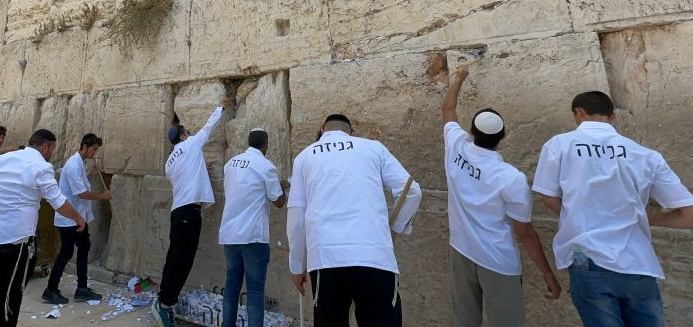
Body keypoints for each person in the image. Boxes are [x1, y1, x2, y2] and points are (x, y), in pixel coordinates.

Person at [533, 91, 693, 327]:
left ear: (578, 113)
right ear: (613, 116)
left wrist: (577, 217)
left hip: (585, 254)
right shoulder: (647, 156)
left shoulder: (559, 145)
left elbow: (548, 197)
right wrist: (646, 219)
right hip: (638, 261)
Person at [441, 66, 561, 327]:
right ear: (503, 136)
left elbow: (448, 109)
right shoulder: (511, 177)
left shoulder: (456, 148)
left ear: (471, 131)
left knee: (464, 320)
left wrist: (459, 78)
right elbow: (525, 232)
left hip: (461, 251)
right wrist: (547, 273)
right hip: (497, 261)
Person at [287, 114, 422, 326]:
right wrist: (392, 231)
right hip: (374, 256)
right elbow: (412, 191)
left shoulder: (304, 157)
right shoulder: (373, 148)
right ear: (351, 133)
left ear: (322, 130)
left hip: (326, 260)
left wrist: (297, 267)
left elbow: (296, 219)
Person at [0, 130, 86, 326]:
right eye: (52, 150)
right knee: (11, 294)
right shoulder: (42, 167)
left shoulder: (3, 159)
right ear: (45, 147)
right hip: (18, 240)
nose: (51, 154)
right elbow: (58, 201)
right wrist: (78, 218)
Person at [152, 97, 234, 327]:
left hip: (178, 212)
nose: (189, 133)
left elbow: (185, 178)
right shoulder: (191, 145)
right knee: (183, 260)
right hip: (189, 213)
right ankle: (165, 305)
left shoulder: (169, 162)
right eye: (186, 131)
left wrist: (200, 169)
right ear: (182, 137)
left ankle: (163, 298)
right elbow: (209, 127)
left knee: (174, 257)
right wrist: (221, 107)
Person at [218, 128, 287, 327]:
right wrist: (284, 186)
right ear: (265, 145)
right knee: (255, 291)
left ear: (249, 142)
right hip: (253, 237)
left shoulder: (230, 164)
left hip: (230, 235)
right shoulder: (266, 166)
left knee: (231, 287)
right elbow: (279, 202)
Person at [42, 133, 109, 305]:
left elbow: (80, 185)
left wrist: (93, 175)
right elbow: (81, 193)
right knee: (66, 252)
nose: (95, 153)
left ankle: (82, 288)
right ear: (85, 147)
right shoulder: (73, 165)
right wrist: (103, 195)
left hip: (79, 217)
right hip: (69, 217)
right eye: (93, 149)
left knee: (84, 247)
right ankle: (50, 289)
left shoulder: (80, 164)